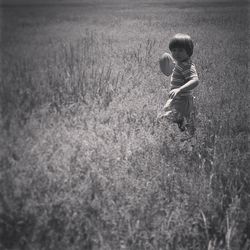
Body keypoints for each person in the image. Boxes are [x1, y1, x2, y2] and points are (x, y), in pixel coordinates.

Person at [158, 33, 199, 135]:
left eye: (180, 50)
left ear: (189, 52)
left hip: (183, 100)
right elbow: (172, 70)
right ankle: (184, 131)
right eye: (174, 50)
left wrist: (179, 89)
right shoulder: (180, 63)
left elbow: (195, 80)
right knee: (166, 112)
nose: (176, 53)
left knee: (163, 118)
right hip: (177, 99)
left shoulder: (187, 66)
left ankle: (183, 133)